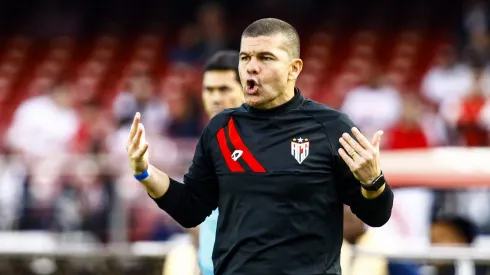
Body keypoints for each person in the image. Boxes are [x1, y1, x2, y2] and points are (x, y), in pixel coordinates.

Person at [126, 18, 394, 275]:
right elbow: (190, 209)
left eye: (265, 58)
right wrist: (145, 172)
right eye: (245, 58)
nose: (251, 67)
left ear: (294, 68)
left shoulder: (331, 127)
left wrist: (373, 181)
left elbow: (376, 215)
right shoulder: (220, 130)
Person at [161, 50, 244, 275]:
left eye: (224, 89)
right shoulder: (210, 146)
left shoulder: (263, 147)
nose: (215, 98)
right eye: (209, 90)